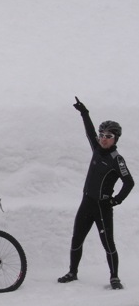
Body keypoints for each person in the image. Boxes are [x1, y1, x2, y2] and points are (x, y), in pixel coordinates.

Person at [58, 97, 134, 289]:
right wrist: (84, 112)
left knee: (108, 243)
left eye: (108, 136)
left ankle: (114, 277)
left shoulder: (117, 160)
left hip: (102, 207)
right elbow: (89, 132)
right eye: (101, 135)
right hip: (87, 202)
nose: (103, 139)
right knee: (77, 239)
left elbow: (129, 182)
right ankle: (73, 272)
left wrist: (116, 200)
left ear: (115, 138)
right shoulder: (96, 149)